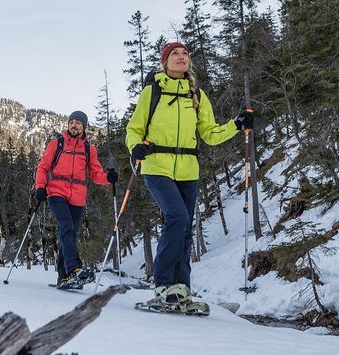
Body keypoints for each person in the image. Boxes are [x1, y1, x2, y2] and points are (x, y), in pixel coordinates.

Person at [126, 42, 254, 307]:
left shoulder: (196, 94)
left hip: (188, 168)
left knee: (184, 230)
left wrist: (235, 125)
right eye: (175, 54)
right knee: (176, 216)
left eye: (185, 54)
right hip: (156, 165)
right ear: (165, 62)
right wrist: (134, 146)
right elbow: (134, 129)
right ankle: (162, 283)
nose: (181, 57)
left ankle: (182, 287)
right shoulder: (152, 92)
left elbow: (209, 133)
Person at [35, 111, 119, 288]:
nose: (73, 125)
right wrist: (40, 187)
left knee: (70, 233)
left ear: (84, 127)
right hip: (56, 191)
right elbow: (43, 167)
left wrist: (108, 178)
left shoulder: (89, 150)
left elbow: (96, 174)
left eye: (78, 123)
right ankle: (74, 269)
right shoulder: (56, 144)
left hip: (78, 196)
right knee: (66, 227)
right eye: (71, 122)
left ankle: (64, 277)